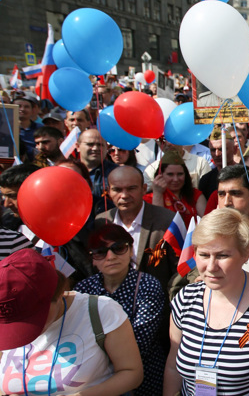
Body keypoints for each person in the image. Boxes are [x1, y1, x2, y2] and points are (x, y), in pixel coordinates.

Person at [163, 208, 249, 395]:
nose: (211, 267)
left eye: (222, 255)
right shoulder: (185, 299)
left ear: (246, 253)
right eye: (204, 255)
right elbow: (174, 367)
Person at [0, 248, 143, 394]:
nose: (25, 329)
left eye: (32, 317)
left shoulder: (101, 311)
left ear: (57, 294)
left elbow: (132, 373)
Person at [75, 224, 166, 395]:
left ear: (131, 250)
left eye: (118, 248)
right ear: (92, 258)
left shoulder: (148, 286)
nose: (110, 257)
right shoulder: (83, 289)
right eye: (100, 252)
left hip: (144, 381)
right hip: (95, 381)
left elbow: (140, 343)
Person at [95, 165, 179, 294]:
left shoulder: (167, 220)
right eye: (117, 190)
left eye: (131, 189)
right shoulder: (102, 222)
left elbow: (180, 269)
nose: (124, 195)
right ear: (108, 191)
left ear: (144, 189)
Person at [144, 150, 207, 227]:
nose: (176, 179)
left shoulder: (196, 195)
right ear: (160, 175)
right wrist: (158, 194)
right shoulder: (148, 198)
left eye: (180, 174)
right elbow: (158, 226)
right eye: (170, 174)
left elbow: (207, 223)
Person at [78, 128, 118, 214]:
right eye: (90, 144)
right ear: (78, 146)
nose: (95, 148)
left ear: (106, 148)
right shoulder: (68, 171)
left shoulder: (118, 173)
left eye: (100, 145)